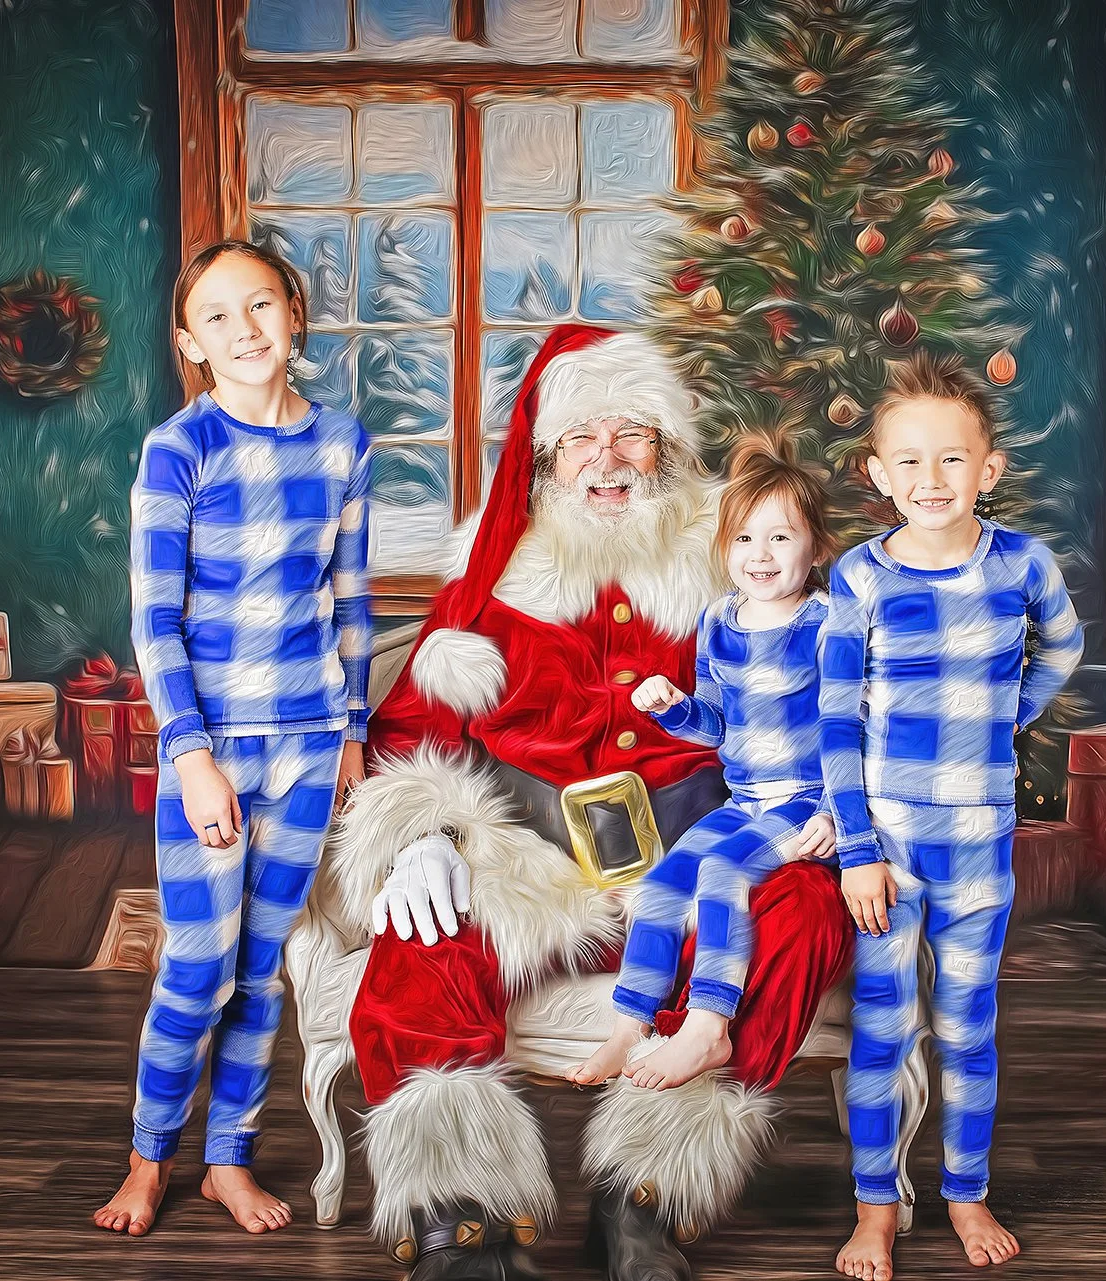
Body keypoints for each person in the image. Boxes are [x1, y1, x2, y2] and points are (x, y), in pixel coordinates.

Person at [288, 325, 851, 1281]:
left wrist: (826, 805)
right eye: (582, 436)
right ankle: (461, 1226)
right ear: (548, 457)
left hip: (700, 846)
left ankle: (646, 1199)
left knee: (801, 910)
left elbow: (827, 691)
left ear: (666, 446)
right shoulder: (495, 580)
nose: (607, 457)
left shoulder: (733, 556)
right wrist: (420, 834)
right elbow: (408, 734)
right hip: (531, 858)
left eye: (631, 432)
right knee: (422, 936)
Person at [93, 239, 371, 1238]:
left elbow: (351, 601)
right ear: (190, 344)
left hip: (310, 744)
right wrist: (191, 756)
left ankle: (229, 1161)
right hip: (211, 752)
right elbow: (153, 620)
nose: (245, 328)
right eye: (218, 315)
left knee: (262, 970)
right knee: (198, 969)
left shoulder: (343, 443)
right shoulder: (180, 449)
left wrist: (352, 730)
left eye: (260, 304)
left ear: (294, 312)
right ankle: (148, 1159)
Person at [820, 352, 1083, 1280]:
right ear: (878, 473)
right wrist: (857, 850)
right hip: (887, 850)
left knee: (968, 1029)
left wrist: (1010, 714)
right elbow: (836, 721)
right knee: (884, 1031)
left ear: (988, 468)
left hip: (979, 846)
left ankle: (967, 1192)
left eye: (952, 459)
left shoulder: (1022, 563)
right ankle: (875, 1209)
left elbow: (1063, 645)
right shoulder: (860, 577)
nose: (930, 479)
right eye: (909, 461)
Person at [570, 434, 844, 1093]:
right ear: (724, 547)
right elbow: (715, 725)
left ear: (816, 548)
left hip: (805, 801)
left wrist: (838, 812)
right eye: (744, 539)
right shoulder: (719, 622)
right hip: (746, 802)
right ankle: (630, 1025)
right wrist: (674, 709)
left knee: (722, 872)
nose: (760, 555)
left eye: (780, 538)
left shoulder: (828, 624)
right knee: (665, 882)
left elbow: (853, 731)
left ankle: (708, 1024)